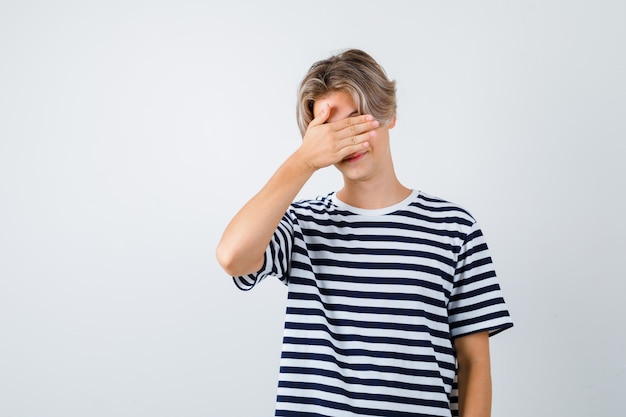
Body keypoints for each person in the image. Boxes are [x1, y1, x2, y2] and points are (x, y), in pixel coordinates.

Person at [216, 49, 513, 417]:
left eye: (356, 119)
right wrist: (303, 161)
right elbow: (232, 256)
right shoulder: (302, 224)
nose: (346, 138)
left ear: (389, 114)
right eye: (328, 129)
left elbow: (474, 363)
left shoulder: (454, 228)